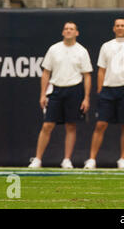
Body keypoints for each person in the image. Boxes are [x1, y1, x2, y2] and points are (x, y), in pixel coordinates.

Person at [29, 21, 92, 169]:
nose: (68, 31)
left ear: (77, 33)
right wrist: (42, 94)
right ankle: (37, 159)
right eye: (66, 29)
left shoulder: (82, 51)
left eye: (71, 29)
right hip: (56, 90)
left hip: (75, 90)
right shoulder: (54, 49)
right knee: (47, 125)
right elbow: (46, 73)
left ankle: (67, 160)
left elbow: (87, 75)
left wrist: (86, 98)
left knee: (71, 126)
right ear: (63, 32)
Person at [84, 18, 124, 170]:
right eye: (117, 25)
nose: (120, 28)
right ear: (114, 28)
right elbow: (101, 70)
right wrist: (100, 90)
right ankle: (91, 159)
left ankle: (122, 159)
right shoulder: (106, 46)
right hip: (108, 90)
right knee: (100, 124)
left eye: (122, 25)